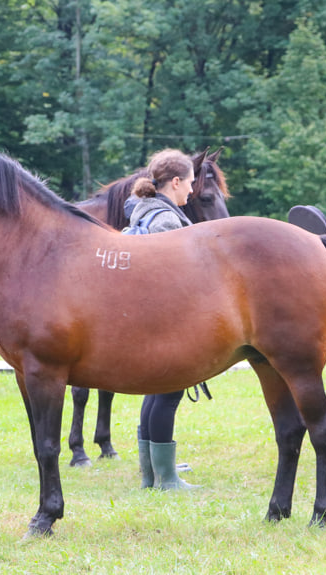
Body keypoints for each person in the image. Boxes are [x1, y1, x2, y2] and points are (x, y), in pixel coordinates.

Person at [126, 148, 197, 490]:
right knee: (168, 394)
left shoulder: (144, 211)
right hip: (166, 321)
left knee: (155, 394)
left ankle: (150, 475)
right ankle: (165, 478)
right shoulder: (166, 220)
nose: (192, 191)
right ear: (176, 181)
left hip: (145, 320)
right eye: (190, 183)